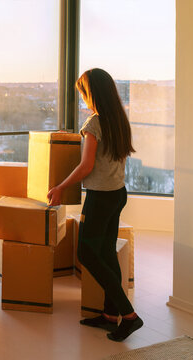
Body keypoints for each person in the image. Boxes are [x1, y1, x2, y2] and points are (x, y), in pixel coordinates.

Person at [47, 68, 143, 342]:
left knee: (87, 254)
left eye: (84, 94)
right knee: (106, 253)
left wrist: (60, 187)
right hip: (117, 194)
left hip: (100, 197)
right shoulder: (119, 121)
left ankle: (130, 315)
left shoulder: (94, 124)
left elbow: (86, 165)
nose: (84, 100)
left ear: (93, 94)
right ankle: (111, 315)